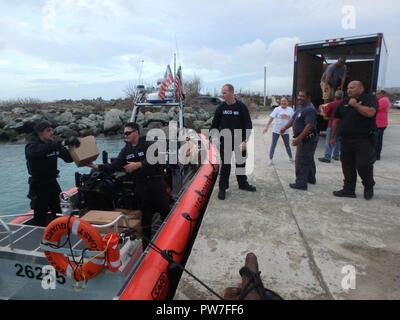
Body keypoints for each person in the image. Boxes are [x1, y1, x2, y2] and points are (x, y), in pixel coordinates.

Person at [87, 122, 169, 250]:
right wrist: (96, 166)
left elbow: (157, 158)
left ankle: (169, 239)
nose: (125, 135)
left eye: (128, 133)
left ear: (136, 132)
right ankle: (146, 247)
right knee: (146, 216)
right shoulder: (126, 149)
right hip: (141, 186)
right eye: (124, 133)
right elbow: (115, 166)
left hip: (156, 183)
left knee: (164, 210)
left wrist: (138, 165)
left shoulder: (149, 143)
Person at [25, 120, 80, 227]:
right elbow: (36, 152)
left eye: (52, 130)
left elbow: (68, 159)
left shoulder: (54, 144)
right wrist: (61, 142)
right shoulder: (32, 146)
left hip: (52, 183)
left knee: (59, 211)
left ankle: (60, 234)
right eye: (48, 130)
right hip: (38, 186)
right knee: (40, 215)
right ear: (40, 133)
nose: (52, 133)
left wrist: (73, 147)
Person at [331, 81, 378, 200]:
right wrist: (332, 137)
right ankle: (348, 190)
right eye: (348, 88)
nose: (349, 90)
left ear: (361, 88)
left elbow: (370, 113)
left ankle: (368, 186)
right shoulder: (344, 101)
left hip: (363, 139)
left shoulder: (369, 98)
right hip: (346, 139)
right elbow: (336, 119)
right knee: (347, 165)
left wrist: (356, 105)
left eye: (352, 87)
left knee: (363, 164)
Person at [211, 84, 256, 201]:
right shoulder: (220, 108)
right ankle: (222, 188)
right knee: (225, 165)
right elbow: (214, 125)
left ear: (232, 93)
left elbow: (248, 124)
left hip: (240, 140)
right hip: (225, 141)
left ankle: (242, 184)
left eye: (224, 92)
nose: (222, 94)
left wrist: (245, 140)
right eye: (222, 92)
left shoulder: (241, 107)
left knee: (241, 163)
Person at [280, 91, 318, 190]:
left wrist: (298, 138)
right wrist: (285, 127)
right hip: (303, 138)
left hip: (307, 139)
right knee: (308, 158)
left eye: (302, 96)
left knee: (301, 160)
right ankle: (310, 178)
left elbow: (309, 126)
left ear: (308, 97)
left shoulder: (310, 109)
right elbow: (293, 119)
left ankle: (301, 183)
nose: (299, 98)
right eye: (299, 96)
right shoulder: (300, 107)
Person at [262, 97, 294, 165]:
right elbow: (271, 118)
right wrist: (266, 127)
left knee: (287, 145)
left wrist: (294, 131)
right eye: (282, 101)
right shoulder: (277, 109)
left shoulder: (290, 110)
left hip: (285, 131)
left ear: (287, 102)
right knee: (273, 144)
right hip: (276, 130)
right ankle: (270, 159)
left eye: (285, 101)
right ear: (280, 102)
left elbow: (293, 120)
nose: (283, 102)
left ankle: (291, 158)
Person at [318, 90, 343, 163]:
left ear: (335, 96)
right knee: (338, 141)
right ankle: (336, 155)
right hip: (341, 126)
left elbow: (325, 114)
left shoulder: (332, 104)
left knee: (329, 141)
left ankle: (327, 157)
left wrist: (321, 111)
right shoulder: (345, 104)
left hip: (332, 125)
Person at [375, 90, 390, 160]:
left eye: (378, 94)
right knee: (378, 139)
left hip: (380, 123)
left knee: (377, 140)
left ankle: (376, 155)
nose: (376, 95)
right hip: (380, 123)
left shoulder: (383, 100)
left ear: (383, 94)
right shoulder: (383, 99)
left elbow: (376, 108)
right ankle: (376, 155)